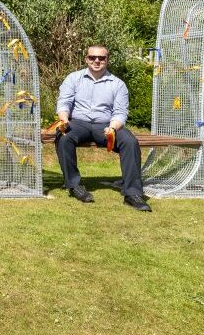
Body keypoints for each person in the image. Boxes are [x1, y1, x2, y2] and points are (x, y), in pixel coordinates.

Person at [54, 45, 151, 212]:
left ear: (107, 60)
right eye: (92, 57)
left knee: (129, 141)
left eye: (101, 58)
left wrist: (113, 128)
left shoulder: (118, 84)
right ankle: (74, 186)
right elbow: (64, 103)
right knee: (63, 137)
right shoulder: (73, 78)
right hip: (78, 122)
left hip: (106, 124)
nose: (96, 61)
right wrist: (64, 119)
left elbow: (120, 112)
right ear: (86, 59)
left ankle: (132, 194)